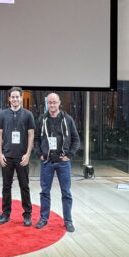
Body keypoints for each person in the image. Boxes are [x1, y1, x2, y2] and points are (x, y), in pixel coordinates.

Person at [34, 93, 80, 232]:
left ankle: (68, 221)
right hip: (47, 162)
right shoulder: (42, 119)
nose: (52, 105)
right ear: (47, 104)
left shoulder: (67, 119)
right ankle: (43, 219)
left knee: (66, 193)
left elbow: (76, 139)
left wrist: (70, 155)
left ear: (59, 103)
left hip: (63, 162)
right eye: (50, 102)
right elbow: (36, 139)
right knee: (44, 192)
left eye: (54, 102)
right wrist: (39, 154)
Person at [0, 86, 35, 226]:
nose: (15, 99)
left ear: (21, 98)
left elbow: (31, 135)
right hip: (7, 157)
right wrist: (0, 154)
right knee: (6, 187)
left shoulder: (28, 115)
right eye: (12, 97)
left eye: (17, 97)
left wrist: (28, 154)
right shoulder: (2, 115)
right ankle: (5, 214)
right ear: (9, 98)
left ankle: (27, 215)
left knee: (24, 186)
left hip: (22, 157)